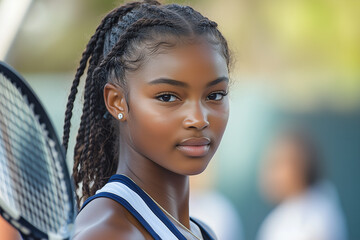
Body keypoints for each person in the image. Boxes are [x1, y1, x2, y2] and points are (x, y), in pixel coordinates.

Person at [61, 1, 231, 239]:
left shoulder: (202, 231)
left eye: (215, 95)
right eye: (168, 97)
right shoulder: (108, 233)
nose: (199, 119)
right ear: (117, 101)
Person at [257, 129, 347, 240]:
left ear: (301, 164)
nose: (271, 173)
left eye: (279, 163)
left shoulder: (319, 217)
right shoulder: (280, 218)